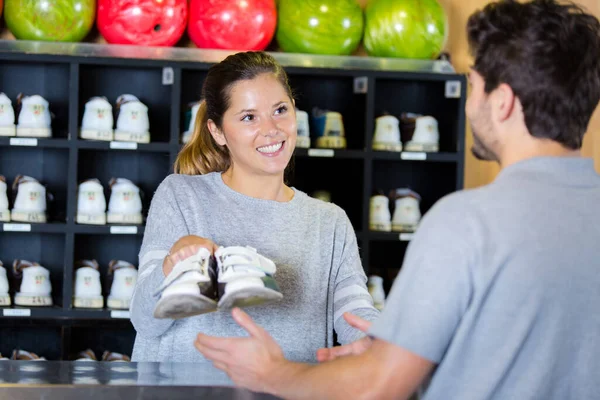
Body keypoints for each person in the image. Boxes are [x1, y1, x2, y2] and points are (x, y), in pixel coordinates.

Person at [194, 0, 600, 398]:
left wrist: (274, 373)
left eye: (473, 85)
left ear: (503, 101)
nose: (470, 103)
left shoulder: (467, 222)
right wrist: (402, 348)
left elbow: (377, 388)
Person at [129, 51, 379, 363]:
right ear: (217, 131)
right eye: (249, 117)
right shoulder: (181, 196)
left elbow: (355, 313)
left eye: (280, 110)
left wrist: (382, 343)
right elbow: (144, 319)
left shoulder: (329, 221)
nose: (272, 129)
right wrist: (173, 263)